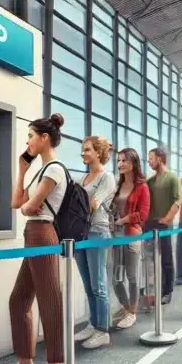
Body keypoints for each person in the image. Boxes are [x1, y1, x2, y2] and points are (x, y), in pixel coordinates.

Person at [0, 113, 70, 364]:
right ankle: (25, 363)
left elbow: (31, 207)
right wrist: (21, 168)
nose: (28, 140)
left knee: (50, 301)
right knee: (18, 300)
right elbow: (18, 203)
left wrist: (30, 204)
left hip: (43, 233)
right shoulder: (39, 170)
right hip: (33, 234)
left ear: (45, 138)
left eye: (31, 135)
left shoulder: (54, 169)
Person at [73, 135, 117, 349]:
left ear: (99, 153)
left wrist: (75, 206)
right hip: (81, 233)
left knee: (98, 284)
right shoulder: (82, 179)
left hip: (97, 233)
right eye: (83, 149)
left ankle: (103, 331)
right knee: (88, 283)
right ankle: (93, 323)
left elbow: (93, 204)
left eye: (87, 149)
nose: (83, 153)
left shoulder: (107, 178)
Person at [109, 148, 150, 329]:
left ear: (133, 163)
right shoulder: (118, 186)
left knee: (132, 276)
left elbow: (144, 213)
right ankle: (127, 308)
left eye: (124, 160)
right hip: (115, 236)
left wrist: (125, 219)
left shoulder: (142, 187)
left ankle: (132, 312)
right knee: (116, 278)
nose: (120, 164)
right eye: (118, 160)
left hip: (132, 235)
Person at [144, 146, 181, 308]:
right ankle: (151, 291)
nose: (149, 161)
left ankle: (167, 291)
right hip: (149, 224)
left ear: (160, 158)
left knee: (166, 258)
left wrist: (167, 219)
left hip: (164, 224)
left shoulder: (172, 178)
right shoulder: (150, 181)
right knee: (150, 259)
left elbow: (177, 201)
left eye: (151, 158)